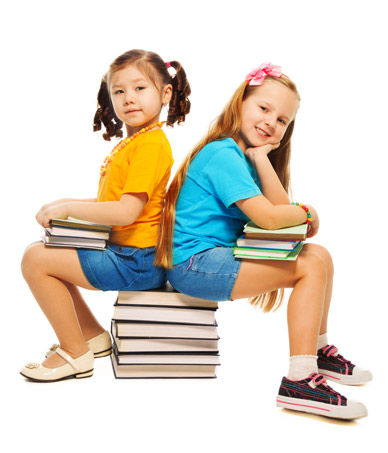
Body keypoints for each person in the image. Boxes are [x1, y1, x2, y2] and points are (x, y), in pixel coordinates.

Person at [155, 63, 371, 419]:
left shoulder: (245, 157)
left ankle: (316, 352)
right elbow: (272, 218)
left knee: (321, 256)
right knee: (310, 266)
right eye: (264, 108)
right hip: (193, 264)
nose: (271, 122)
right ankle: (299, 381)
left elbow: (277, 214)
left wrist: (261, 158)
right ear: (240, 103)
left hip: (214, 257)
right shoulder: (222, 154)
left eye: (282, 120)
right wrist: (308, 212)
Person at [20, 49, 191, 382]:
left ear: (165, 93)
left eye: (140, 88)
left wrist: (68, 209)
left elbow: (126, 212)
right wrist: (64, 201)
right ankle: (92, 336)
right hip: (125, 254)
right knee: (46, 253)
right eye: (119, 91)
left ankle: (74, 352)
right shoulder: (134, 143)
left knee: (36, 261)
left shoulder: (152, 145)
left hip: (137, 261)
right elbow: (108, 201)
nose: (129, 98)